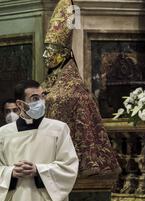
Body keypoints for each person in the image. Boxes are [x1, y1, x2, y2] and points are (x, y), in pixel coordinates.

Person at [42, 0, 119, 177]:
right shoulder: (48, 85)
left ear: (63, 54)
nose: (45, 55)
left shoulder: (75, 93)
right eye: (46, 49)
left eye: (51, 50)